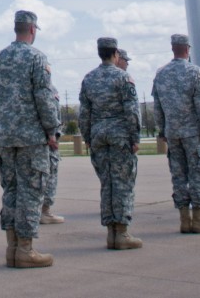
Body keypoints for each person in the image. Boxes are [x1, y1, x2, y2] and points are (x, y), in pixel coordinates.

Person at [0, 9, 60, 269]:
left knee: (11, 192)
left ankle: (12, 248)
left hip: (6, 137)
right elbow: (44, 97)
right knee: (31, 192)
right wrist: (52, 130)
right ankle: (26, 250)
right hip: (31, 137)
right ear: (32, 30)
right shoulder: (36, 57)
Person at [79, 36, 142, 250]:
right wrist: (135, 138)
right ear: (115, 54)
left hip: (98, 135)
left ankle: (110, 233)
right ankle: (121, 232)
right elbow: (132, 112)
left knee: (107, 184)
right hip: (120, 135)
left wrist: (87, 137)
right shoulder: (123, 78)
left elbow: (84, 113)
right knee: (122, 183)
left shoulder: (89, 78)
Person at [152, 33, 200, 234]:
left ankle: (184, 219)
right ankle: (199, 218)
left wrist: (162, 130)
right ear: (188, 49)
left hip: (173, 133)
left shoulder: (161, 73)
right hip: (192, 133)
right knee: (198, 173)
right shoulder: (194, 71)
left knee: (178, 175)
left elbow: (158, 107)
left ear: (173, 49)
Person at [40, 88, 65, 225]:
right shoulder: (47, 88)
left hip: (25, 138)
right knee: (49, 173)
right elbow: (51, 111)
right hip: (45, 140)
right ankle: (45, 211)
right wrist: (53, 134)